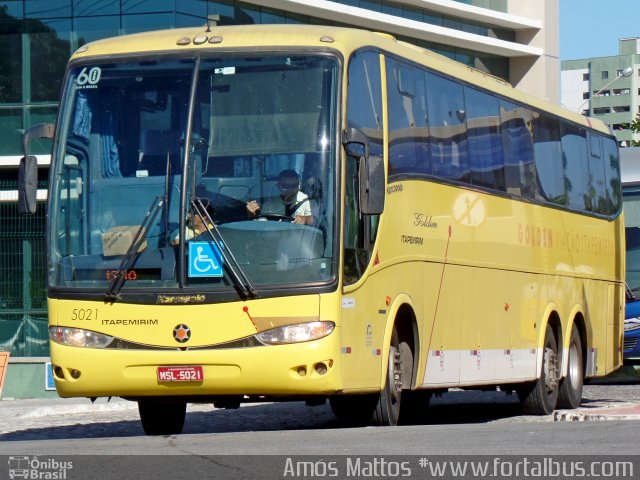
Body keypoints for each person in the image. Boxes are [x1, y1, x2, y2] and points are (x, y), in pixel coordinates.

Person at [246, 169, 314, 225]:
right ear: (278, 186)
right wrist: (252, 216)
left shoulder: (307, 201)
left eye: (294, 186)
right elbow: (262, 225)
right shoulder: (269, 205)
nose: (290, 190)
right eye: (285, 186)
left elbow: (316, 220)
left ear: (299, 185)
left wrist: (305, 219)